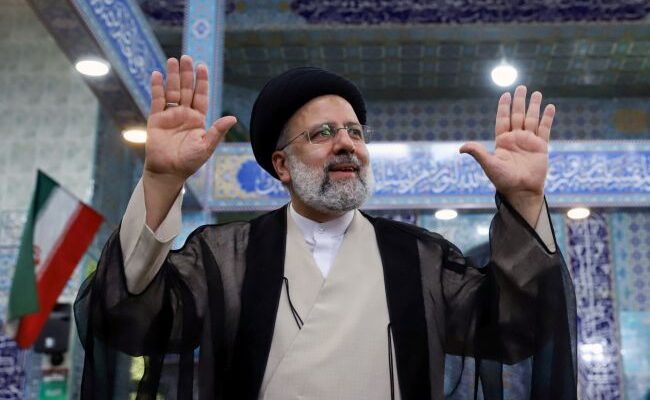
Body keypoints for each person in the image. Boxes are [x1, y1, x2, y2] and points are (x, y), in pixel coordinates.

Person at [75, 55, 577, 400]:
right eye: (323, 133)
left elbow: (515, 327)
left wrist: (524, 198)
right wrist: (162, 180)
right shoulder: (227, 255)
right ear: (282, 165)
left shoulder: (419, 256)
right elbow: (128, 315)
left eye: (355, 132)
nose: (346, 144)